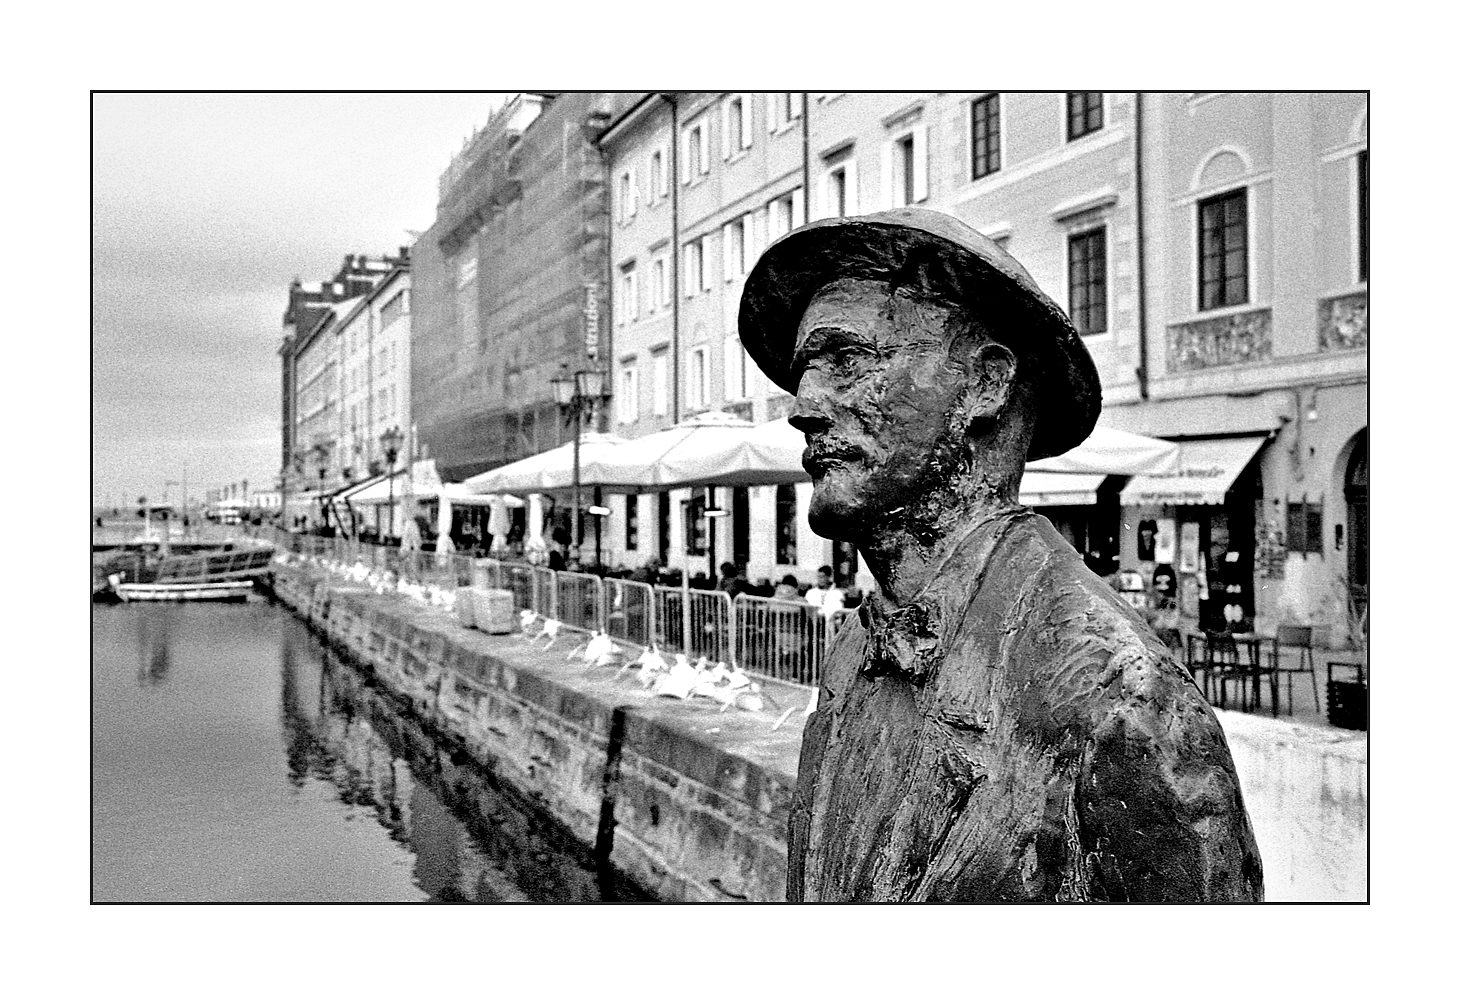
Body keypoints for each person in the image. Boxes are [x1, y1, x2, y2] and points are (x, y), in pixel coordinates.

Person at [739, 207, 1261, 902]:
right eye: (806, 368)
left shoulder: (1120, 698)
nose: (803, 404)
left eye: (846, 359)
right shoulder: (852, 652)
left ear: (984, 385)